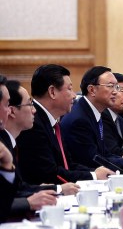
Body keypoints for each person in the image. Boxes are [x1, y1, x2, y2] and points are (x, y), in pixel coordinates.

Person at [16, 65, 113, 185]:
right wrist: (93, 175)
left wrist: (96, 172)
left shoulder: (53, 122)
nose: (74, 95)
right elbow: (49, 173)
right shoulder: (33, 124)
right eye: (69, 89)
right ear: (52, 92)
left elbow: (68, 164)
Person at [4, 80, 80, 217]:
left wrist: (53, 189)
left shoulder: (9, 142)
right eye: (29, 104)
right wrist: (28, 202)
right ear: (12, 111)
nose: (34, 110)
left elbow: (19, 187)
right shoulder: (4, 145)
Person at [61, 66, 123, 171]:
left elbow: (104, 153)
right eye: (110, 86)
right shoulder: (79, 119)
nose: (115, 92)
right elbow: (93, 160)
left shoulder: (94, 112)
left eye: (116, 87)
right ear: (92, 90)